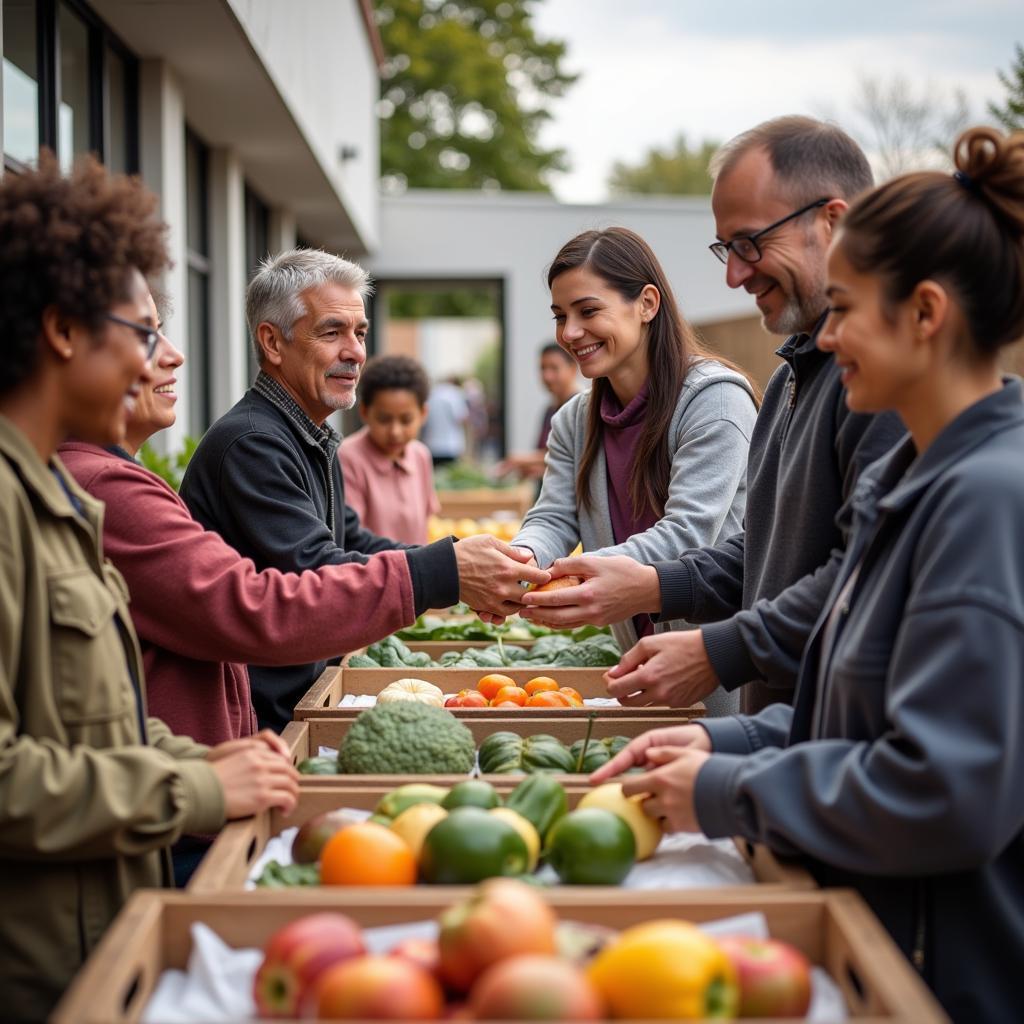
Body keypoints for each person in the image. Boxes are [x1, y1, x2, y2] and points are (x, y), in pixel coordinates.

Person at [593, 125, 1024, 1023]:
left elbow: (944, 790)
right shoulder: (916, 479)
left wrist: (725, 788)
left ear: (927, 315)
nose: (826, 334)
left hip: (940, 978)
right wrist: (731, 744)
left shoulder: (986, 502)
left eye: (848, 309)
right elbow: (855, 712)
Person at [0, 155, 298, 1022]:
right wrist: (197, 790)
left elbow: (89, 725)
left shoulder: (56, 492)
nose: (156, 360)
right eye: (139, 331)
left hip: (100, 953)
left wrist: (197, 758)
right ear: (62, 330)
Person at [521, 117, 904, 715]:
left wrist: (717, 652)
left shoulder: (884, 384)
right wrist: (539, 564)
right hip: (779, 728)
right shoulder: (789, 382)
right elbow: (762, 554)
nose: (734, 274)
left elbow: (864, 580)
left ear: (833, 222)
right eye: (726, 249)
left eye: (750, 243)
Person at [60, 311, 456, 884]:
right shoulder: (230, 448)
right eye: (146, 334)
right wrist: (436, 574)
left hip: (211, 776)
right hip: (187, 812)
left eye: (361, 333)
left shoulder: (311, 437)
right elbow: (252, 606)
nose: (174, 354)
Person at [180, 249, 548, 731]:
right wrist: (451, 572)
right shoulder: (253, 444)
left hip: (299, 703)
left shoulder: (307, 433)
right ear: (272, 342)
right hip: (261, 724)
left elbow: (352, 542)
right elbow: (315, 575)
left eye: (360, 333)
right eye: (332, 332)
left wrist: (464, 564)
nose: (355, 352)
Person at [511, 227, 759, 715]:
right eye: (561, 316)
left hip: (719, 667)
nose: (570, 333)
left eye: (588, 311)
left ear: (647, 303)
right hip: (638, 660)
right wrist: (520, 561)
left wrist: (570, 579)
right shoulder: (574, 422)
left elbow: (688, 535)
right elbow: (555, 517)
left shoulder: (716, 400)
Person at [339, 354, 440, 544]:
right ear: (364, 412)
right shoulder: (347, 457)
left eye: (406, 420)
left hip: (419, 571)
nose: (395, 432)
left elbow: (426, 522)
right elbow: (350, 536)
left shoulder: (420, 455)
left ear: (423, 414)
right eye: (384, 419)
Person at [497, 342, 580, 480]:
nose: (547, 376)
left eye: (554, 368)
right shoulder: (550, 409)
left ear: (572, 369)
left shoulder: (580, 408)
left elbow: (573, 456)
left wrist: (520, 460)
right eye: (543, 368)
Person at [421, 374, 470, 465]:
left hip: (430, 445)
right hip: (450, 446)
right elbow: (461, 418)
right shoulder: (455, 394)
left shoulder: (432, 393)